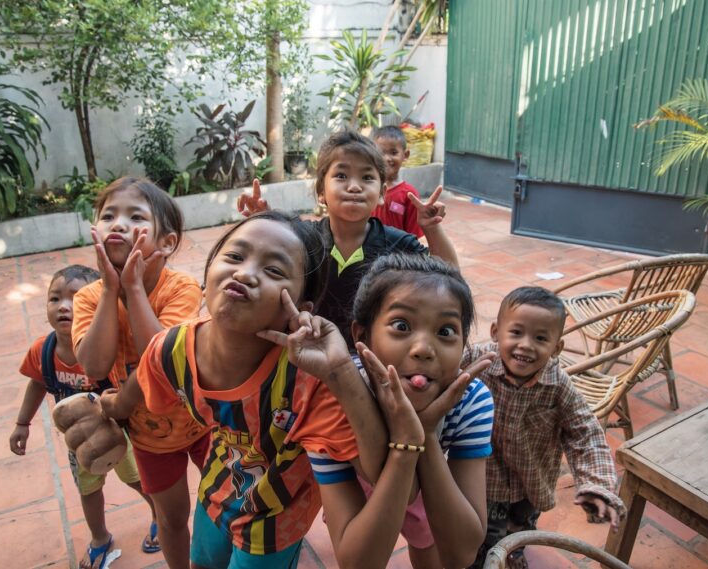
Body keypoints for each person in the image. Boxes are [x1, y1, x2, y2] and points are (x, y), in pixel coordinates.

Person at [134, 211, 425, 569]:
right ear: (206, 277)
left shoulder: (308, 382)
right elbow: (140, 384)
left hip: (279, 518)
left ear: (300, 309)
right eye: (235, 256)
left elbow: (377, 472)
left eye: (273, 270)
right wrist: (103, 408)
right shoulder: (172, 348)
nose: (245, 273)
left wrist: (340, 373)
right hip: (216, 491)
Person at [72, 177, 203, 569]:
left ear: (166, 243)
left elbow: (162, 358)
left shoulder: (181, 287)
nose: (118, 224)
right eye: (108, 215)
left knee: (225, 506)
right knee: (172, 517)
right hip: (149, 435)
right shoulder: (89, 297)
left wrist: (133, 288)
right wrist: (112, 292)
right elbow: (94, 366)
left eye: (135, 216)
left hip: (203, 422)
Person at [237, 130, 458, 346]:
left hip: (371, 356)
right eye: (341, 176)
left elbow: (448, 275)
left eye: (367, 177)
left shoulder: (396, 244)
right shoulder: (305, 238)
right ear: (321, 191)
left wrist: (432, 229)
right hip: (309, 347)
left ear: (381, 193)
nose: (354, 186)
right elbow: (270, 255)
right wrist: (264, 220)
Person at [349, 253, 496, 568]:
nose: (423, 349)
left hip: (428, 483)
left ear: (464, 345)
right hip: (358, 478)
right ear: (362, 336)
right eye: (402, 326)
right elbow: (357, 562)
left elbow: (460, 554)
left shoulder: (470, 402)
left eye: (445, 332)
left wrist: (426, 433)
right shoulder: (339, 394)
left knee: (427, 548)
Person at [465, 287, 625, 569]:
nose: (526, 345)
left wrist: (597, 485)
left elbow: (585, 433)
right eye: (516, 333)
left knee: (522, 527)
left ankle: (515, 554)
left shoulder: (558, 385)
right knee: (484, 536)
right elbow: (442, 365)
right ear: (495, 332)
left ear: (556, 347)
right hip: (485, 480)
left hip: (532, 482)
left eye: (540, 338)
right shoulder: (478, 361)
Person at [9, 264, 155, 569]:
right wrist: (22, 423)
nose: (64, 306)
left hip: (119, 436)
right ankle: (100, 537)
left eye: (76, 298)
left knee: (138, 480)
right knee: (88, 489)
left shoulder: (108, 349)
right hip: (78, 443)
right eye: (55, 298)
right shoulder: (43, 351)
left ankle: (161, 516)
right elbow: (37, 383)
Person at [369, 125, 423, 238]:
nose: (387, 158)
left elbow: (414, 236)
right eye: (381, 153)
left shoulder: (410, 195)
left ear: (405, 155)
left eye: (393, 153)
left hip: (397, 254)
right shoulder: (368, 187)